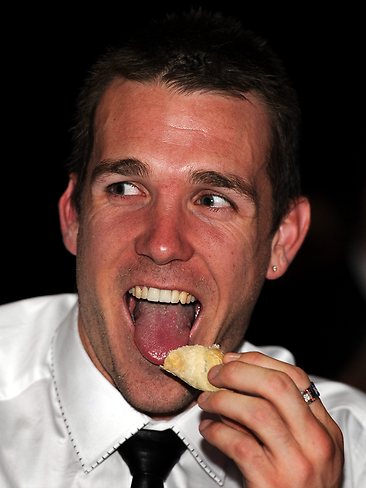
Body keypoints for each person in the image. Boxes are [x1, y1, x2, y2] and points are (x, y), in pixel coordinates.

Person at [0, 8, 365, 488]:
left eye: (212, 200)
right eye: (126, 188)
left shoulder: (353, 453)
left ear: (282, 239)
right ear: (72, 217)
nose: (163, 243)